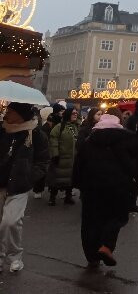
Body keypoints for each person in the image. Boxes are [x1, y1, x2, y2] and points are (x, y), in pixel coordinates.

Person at [72, 113, 138, 268]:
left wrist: (77, 182)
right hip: (118, 185)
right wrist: (136, 178)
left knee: (91, 220)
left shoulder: (90, 140)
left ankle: (92, 255)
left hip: (91, 186)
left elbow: (79, 163)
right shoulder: (129, 139)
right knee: (117, 217)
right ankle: (106, 246)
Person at [0, 102, 50, 273]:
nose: (7, 114)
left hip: (19, 185)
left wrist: (30, 178)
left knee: (11, 222)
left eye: (11, 111)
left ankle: (15, 256)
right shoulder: (3, 130)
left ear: (20, 114)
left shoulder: (35, 134)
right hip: (1, 183)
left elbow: (43, 161)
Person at [48, 106, 80, 206]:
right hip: (61, 158)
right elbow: (53, 140)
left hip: (72, 158)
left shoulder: (76, 127)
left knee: (70, 179)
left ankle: (68, 197)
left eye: (76, 113)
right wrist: (55, 155)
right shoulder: (59, 127)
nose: (75, 115)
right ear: (68, 115)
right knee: (56, 178)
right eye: (73, 113)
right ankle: (52, 197)